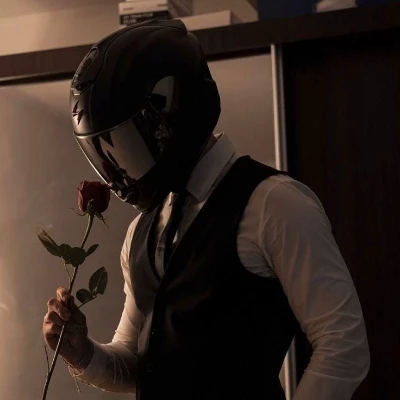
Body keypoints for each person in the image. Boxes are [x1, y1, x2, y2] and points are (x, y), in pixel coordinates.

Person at [43, 20, 370, 400]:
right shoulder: (139, 233)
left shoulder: (275, 203)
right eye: (106, 153)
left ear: (174, 116)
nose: (119, 174)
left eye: (128, 145)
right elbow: (136, 364)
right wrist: (81, 353)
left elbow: (343, 345)